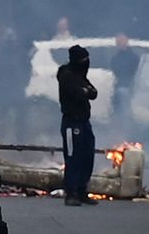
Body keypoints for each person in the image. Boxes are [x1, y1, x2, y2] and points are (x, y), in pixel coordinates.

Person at [57, 45, 99, 206]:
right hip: (71, 122)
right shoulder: (66, 74)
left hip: (84, 122)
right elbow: (78, 93)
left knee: (87, 155)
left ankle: (82, 190)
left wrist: (86, 91)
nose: (86, 63)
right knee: (73, 157)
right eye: (83, 60)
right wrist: (85, 91)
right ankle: (71, 192)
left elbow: (93, 92)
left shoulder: (80, 76)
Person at [107, 33, 140, 122]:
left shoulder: (135, 57)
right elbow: (114, 72)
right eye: (118, 42)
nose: (120, 43)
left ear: (126, 41)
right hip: (118, 86)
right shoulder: (115, 58)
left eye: (122, 41)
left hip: (131, 86)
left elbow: (137, 73)